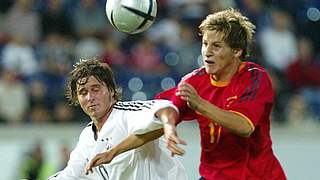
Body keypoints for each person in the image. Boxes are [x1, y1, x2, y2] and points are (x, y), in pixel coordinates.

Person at [156, 8, 286, 180]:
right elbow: (163, 108)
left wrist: (199, 104)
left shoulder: (255, 77)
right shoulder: (195, 80)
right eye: (205, 44)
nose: (207, 52)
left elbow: (244, 127)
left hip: (257, 176)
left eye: (216, 46)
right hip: (213, 176)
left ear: (237, 51)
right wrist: (169, 125)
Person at [48, 59, 187, 180]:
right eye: (83, 92)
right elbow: (71, 175)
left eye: (95, 89)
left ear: (112, 91)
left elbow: (166, 109)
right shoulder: (87, 137)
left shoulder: (126, 113)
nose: (90, 97)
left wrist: (168, 126)